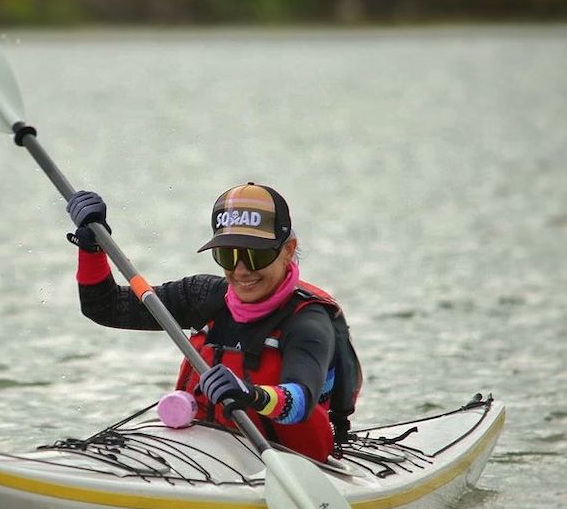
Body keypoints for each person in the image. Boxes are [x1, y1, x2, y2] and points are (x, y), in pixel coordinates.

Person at [66, 183, 362, 461]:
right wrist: (92, 249)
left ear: (287, 249)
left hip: (293, 462)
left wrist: (250, 393)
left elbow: (300, 402)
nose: (241, 270)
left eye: (256, 255)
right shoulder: (203, 296)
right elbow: (104, 308)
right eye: (228, 254)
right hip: (205, 453)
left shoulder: (309, 320)